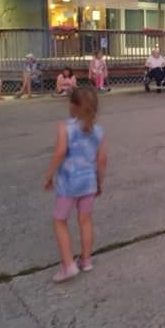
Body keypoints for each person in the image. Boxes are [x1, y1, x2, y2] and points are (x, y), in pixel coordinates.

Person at [42, 87, 106, 283]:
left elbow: (60, 152)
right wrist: (99, 181)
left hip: (68, 184)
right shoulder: (98, 130)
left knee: (60, 221)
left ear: (73, 106)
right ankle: (86, 260)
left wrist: (49, 175)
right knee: (85, 220)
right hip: (88, 183)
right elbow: (102, 159)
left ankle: (68, 265)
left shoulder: (65, 127)